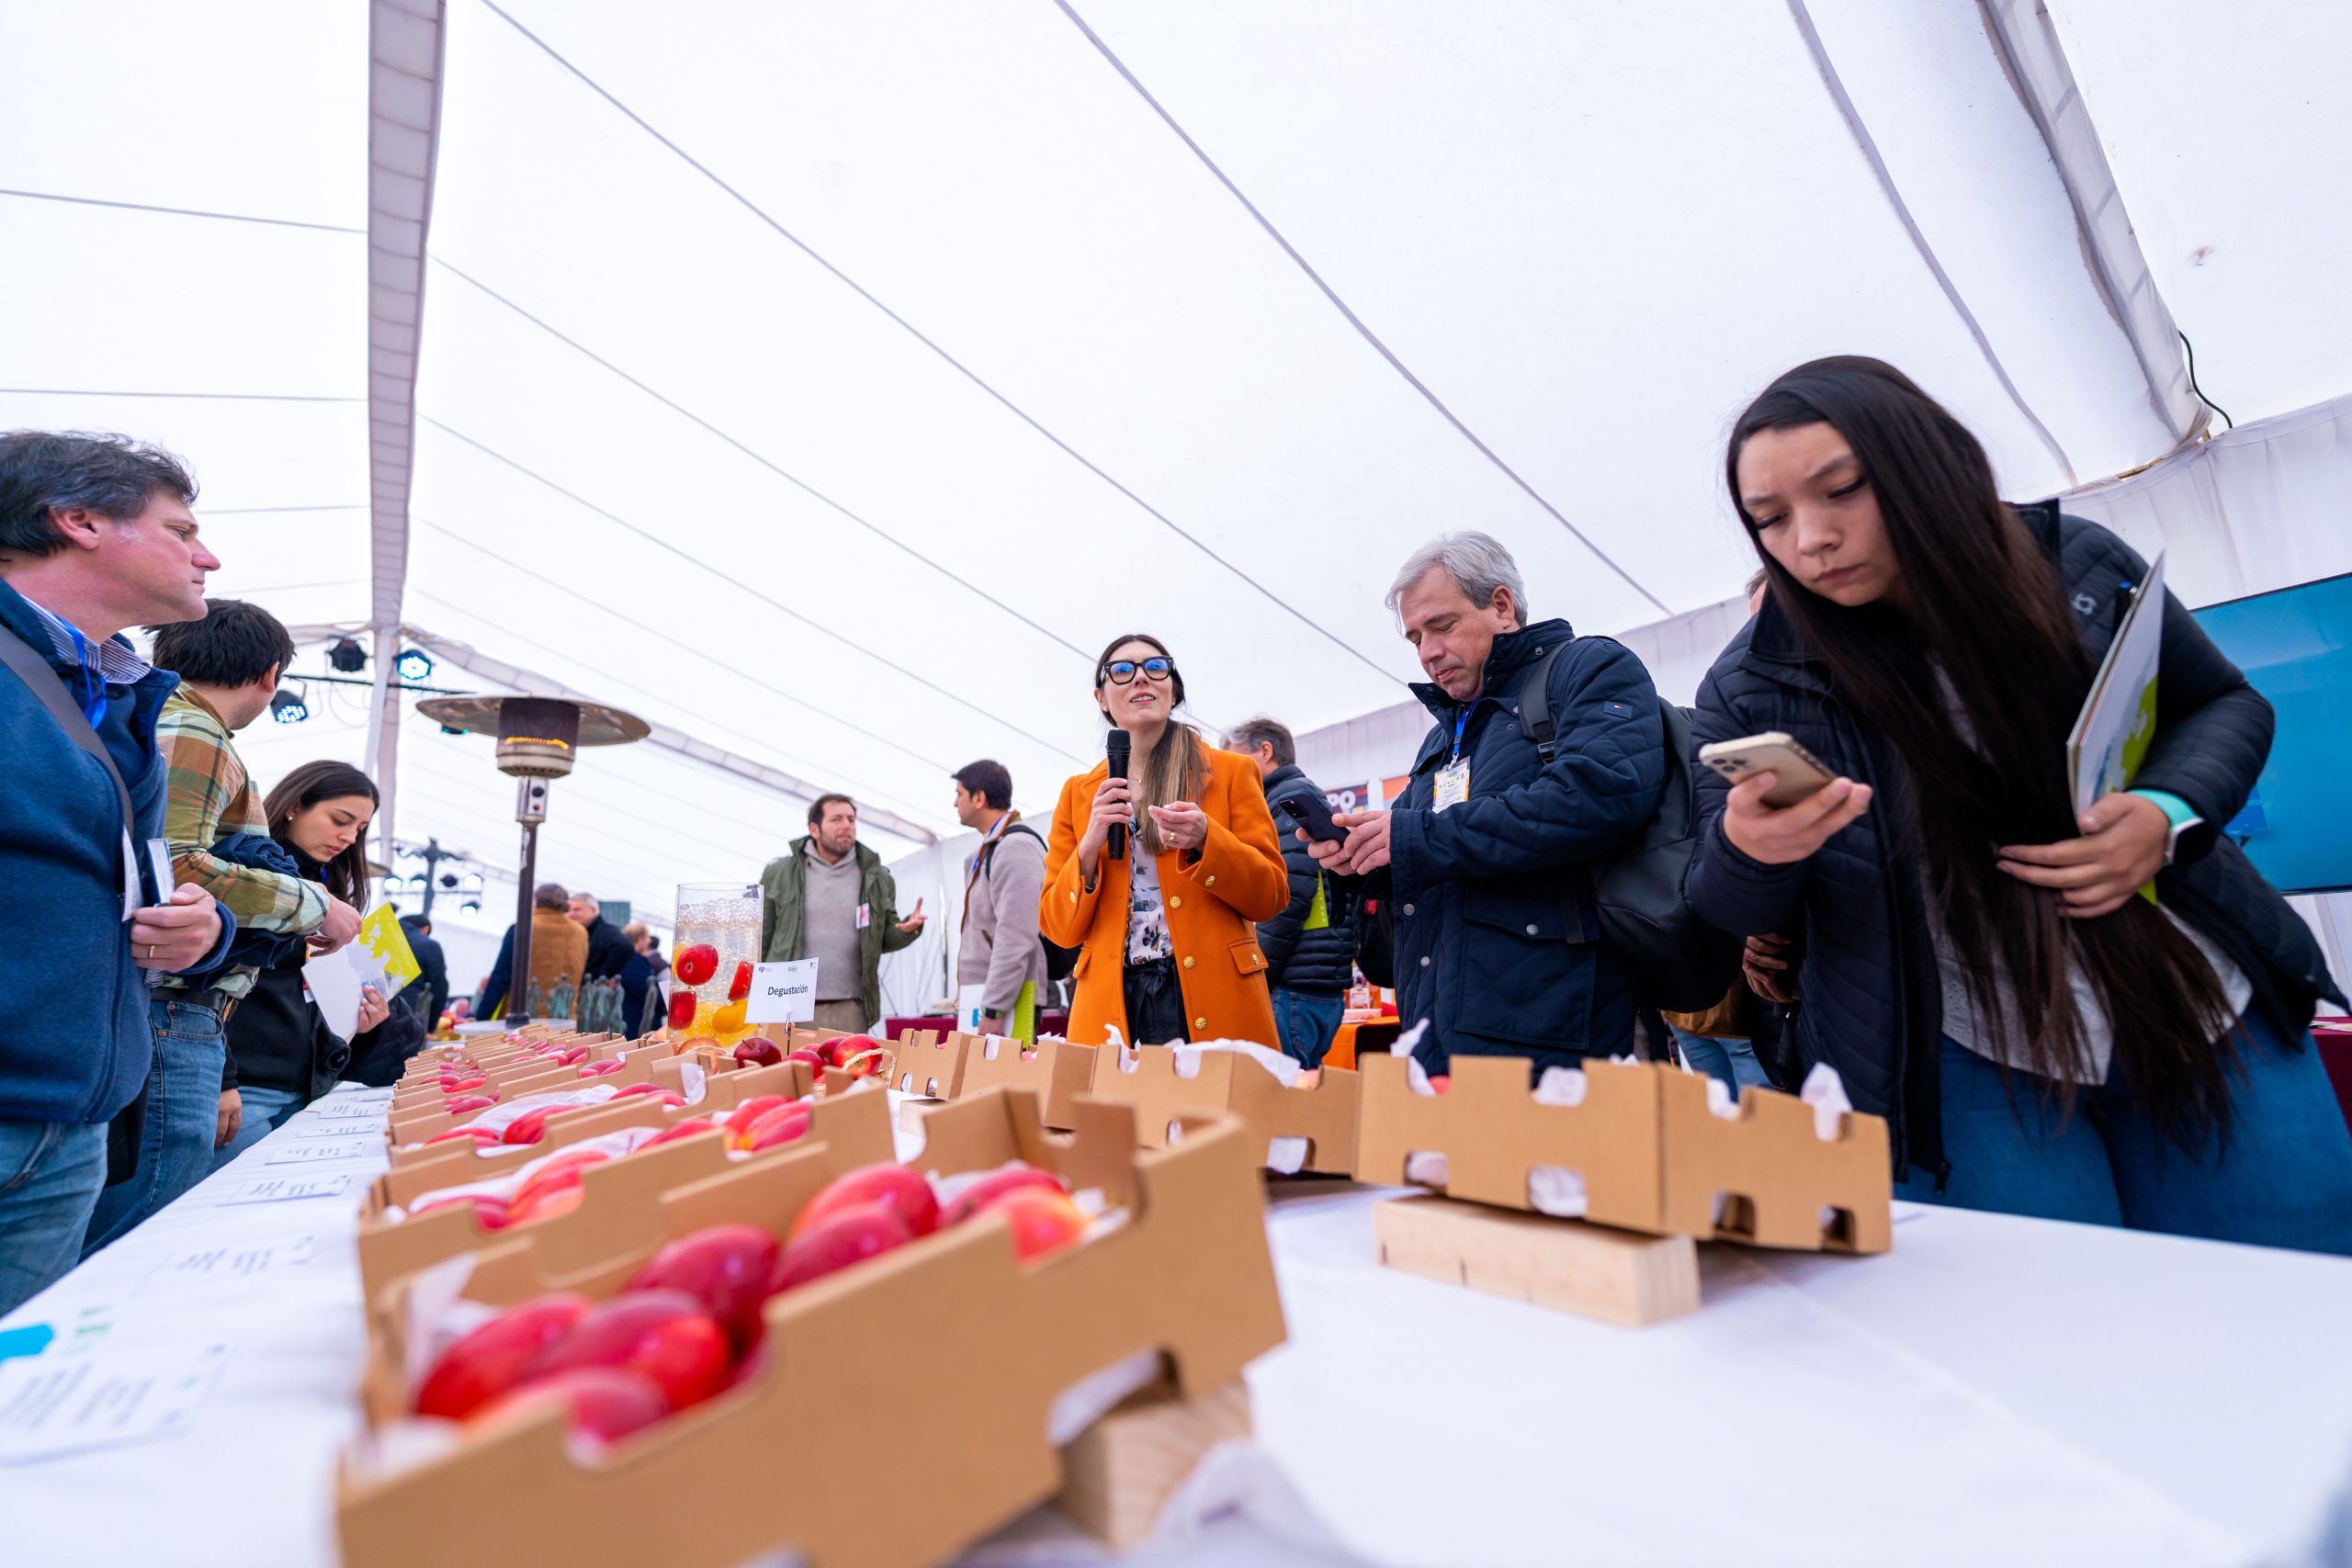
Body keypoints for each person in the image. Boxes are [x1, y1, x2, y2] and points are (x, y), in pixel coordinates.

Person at [1689, 355, 2351, 1252]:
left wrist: (2161, 811)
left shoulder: (2071, 561)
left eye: (1840, 491)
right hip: (1962, 1057)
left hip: (2192, 997)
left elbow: (2222, 703)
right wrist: (1749, 851)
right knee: (2061, 1342)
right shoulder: (1747, 686)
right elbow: (1726, 906)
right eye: (1769, 520)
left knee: (2292, 1300)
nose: (1808, 540)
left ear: (1926, 463)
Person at [0, 432, 232, 1310]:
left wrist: (204, 931)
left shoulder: (120, 695)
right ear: (79, 520)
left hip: (71, 1123)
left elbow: (136, 878)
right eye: (181, 530)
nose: (206, 556)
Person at [1308, 534, 1667, 1077]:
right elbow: (1428, 855)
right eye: (1414, 638)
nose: (1427, 651)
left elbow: (1598, 795)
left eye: (1442, 626)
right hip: (1439, 1026)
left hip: (1560, 1027)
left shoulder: (1587, 669)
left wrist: (1410, 838)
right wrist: (1362, 858)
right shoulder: (1445, 733)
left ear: (1501, 605)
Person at [84, 599, 363, 1247]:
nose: (349, 837)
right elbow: (178, 868)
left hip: (168, 1011)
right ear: (270, 676)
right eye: (342, 820)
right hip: (176, 1011)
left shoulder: (167, 721)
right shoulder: (197, 731)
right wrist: (314, 905)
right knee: (144, 1223)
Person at [1041, 635, 1288, 1047]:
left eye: (1155, 668)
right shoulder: (1077, 794)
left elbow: (1272, 895)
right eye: (1122, 671)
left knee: (1217, 1112)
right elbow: (1058, 930)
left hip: (1214, 997)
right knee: (1123, 1114)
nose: (1140, 679)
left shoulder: (1231, 772)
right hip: (1112, 1007)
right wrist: (1087, 851)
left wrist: (1209, 840)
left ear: (1172, 689)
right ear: (1101, 698)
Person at [212, 762, 424, 1165]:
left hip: (309, 1092)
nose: (348, 837)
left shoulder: (334, 891)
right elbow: (202, 982)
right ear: (294, 805)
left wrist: (368, 1023)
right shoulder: (246, 877)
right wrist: (222, 1079)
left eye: (360, 828)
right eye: (340, 820)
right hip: (244, 1092)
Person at [1663, 571, 1777, 1100]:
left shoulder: (1745, 746)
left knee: (1755, 1099)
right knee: (1721, 1106)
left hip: (1739, 985)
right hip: (1694, 990)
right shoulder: (1717, 747)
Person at [1224, 717, 1359, 1069]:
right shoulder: (1294, 795)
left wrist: (1256, 974)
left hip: (1293, 985)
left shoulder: (1286, 798)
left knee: (1280, 1106)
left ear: (1264, 751)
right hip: (1309, 981)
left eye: (1233, 757)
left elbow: (1286, 896)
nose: (1227, 768)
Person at [760, 795, 927, 1033]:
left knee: (850, 1070)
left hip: (852, 1007)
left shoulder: (876, 876)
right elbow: (762, 936)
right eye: (836, 819)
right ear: (814, 829)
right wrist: (754, 994)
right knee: (789, 1071)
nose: (847, 825)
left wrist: (907, 930)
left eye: (851, 819)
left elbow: (881, 938)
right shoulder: (779, 872)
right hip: (789, 1005)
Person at [952, 759, 1047, 1039]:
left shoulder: (1015, 847)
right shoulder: (986, 851)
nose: (955, 803)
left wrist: (994, 1008)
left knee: (1004, 1082)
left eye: (959, 794)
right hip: (984, 997)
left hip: (1007, 1003)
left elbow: (1016, 934)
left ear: (979, 798)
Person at [478, 883, 590, 1021]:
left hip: (524, 1018)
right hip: (566, 1017)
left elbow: (501, 976)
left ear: (535, 901)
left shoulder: (523, 927)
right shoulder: (580, 932)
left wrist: (481, 1017)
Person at [569, 891, 633, 982]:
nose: (570, 914)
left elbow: (624, 946)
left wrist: (603, 977)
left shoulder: (605, 931)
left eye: (577, 910)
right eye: (568, 910)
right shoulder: (585, 932)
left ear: (593, 910)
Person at [401, 913, 450, 1029]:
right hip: (404, 1014)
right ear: (425, 929)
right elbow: (440, 987)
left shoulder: (381, 935)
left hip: (368, 1011)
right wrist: (431, 1025)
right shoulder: (429, 945)